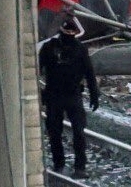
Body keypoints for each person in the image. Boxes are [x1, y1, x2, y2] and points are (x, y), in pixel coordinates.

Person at [39, 15, 99, 176]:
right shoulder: (49, 48)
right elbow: (37, 69)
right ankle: (59, 164)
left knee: (78, 131)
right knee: (54, 132)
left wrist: (94, 94)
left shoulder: (80, 49)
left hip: (72, 95)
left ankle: (80, 167)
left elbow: (89, 73)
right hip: (54, 95)